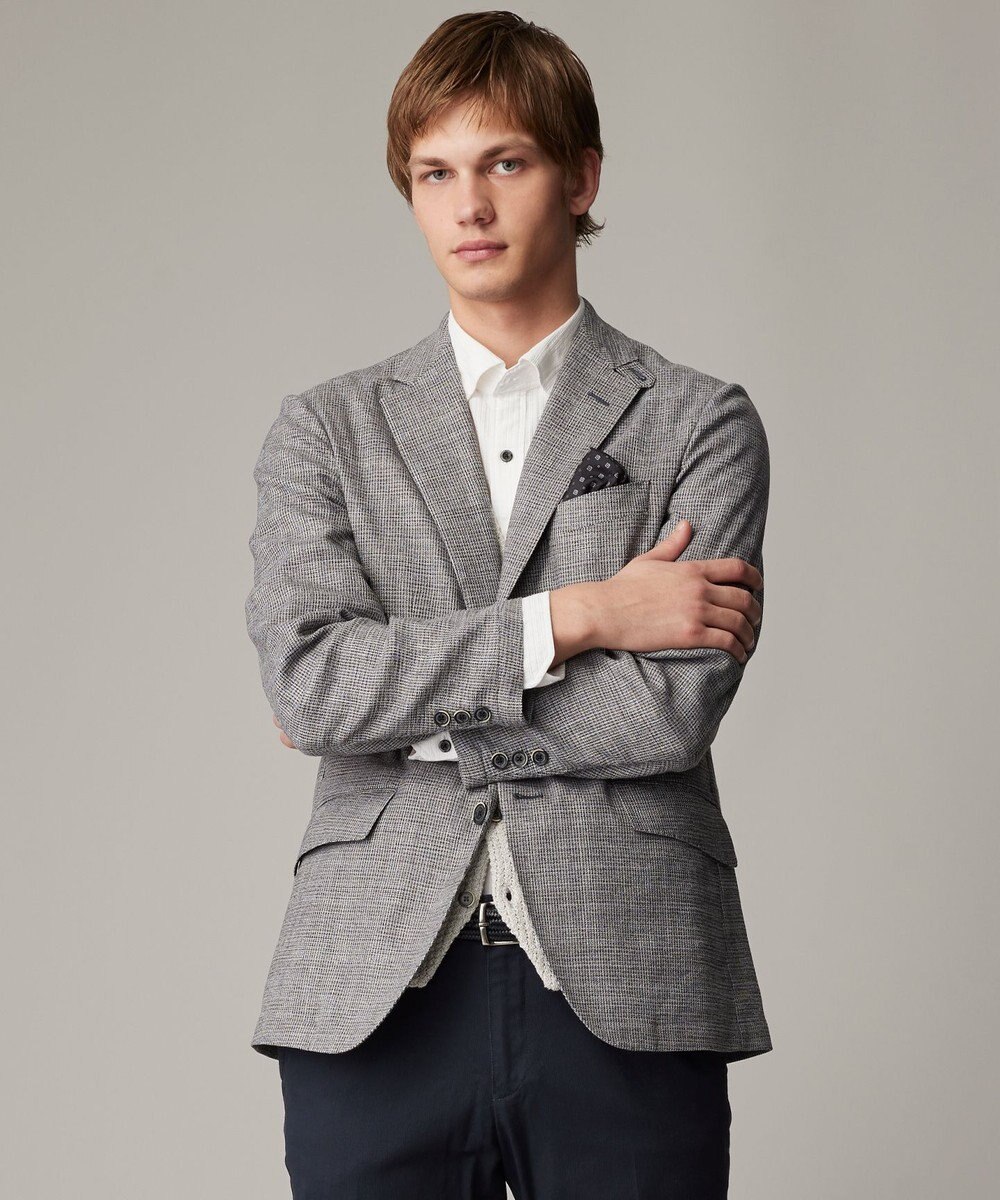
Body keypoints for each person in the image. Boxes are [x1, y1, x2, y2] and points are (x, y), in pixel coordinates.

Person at [245, 11, 772, 1198]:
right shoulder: (325, 430)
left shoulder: (699, 422)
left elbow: (668, 716)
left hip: (632, 980)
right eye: (435, 173)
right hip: (372, 991)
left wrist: (395, 713)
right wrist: (580, 618)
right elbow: (312, 685)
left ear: (580, 178)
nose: (468, 206)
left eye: (505, 163)